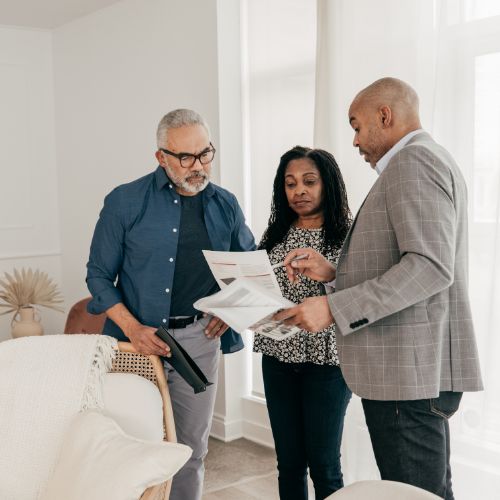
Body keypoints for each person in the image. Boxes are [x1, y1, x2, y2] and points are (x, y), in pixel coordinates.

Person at [275, 78, 484, 499]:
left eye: (356, 126)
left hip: (406, 374)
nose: (354, 140)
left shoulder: (413, 163)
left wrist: (334, 307)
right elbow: (404, 259)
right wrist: (335, 272)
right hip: (413, 370)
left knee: (414, 494)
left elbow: (428, 267)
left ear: (384, 116)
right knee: (427, 491)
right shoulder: (432, 159)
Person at [86, 109, 255, 500]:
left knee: (190, 450)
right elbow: (98, 276)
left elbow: (247, 270)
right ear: (161, 156)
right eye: (185, 157)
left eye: (205, 154)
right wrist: (133, 329)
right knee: (133, 447)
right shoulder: (125, 201)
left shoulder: (225, 204)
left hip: (199, 339)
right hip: (135, 342)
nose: (198, 166)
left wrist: (229, 312)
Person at [254, 146, 352, 500]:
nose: (299, 191)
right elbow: (258, 290)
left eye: (309, 182)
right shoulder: (274, 235)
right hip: (277, 359)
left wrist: (330, 272)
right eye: (290, 184)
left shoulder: (350, 234)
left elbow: (363, 294)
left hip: (328, 364)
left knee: (325, 465)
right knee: (289, 464)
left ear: (327, 185)